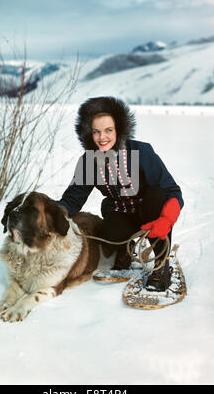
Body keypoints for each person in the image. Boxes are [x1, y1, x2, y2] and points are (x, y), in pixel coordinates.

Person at [55, 96, 184, 291]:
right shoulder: (89, 161)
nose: (102, 137)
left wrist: (166, 219)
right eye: (96, 131)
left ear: (119, 129)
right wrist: (54, 212)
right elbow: (74, 197)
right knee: (110, 231)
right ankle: (124, 251)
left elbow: (172, 191)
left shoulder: (141, 152)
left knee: (156, 196)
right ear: (88, 133)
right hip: (120, 211)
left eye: (108, 130)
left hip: (150, 211)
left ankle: (161, 264)